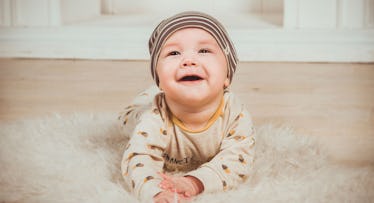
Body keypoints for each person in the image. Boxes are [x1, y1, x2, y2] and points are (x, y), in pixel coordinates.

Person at [118, 11, 256, 203]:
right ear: (159, 80)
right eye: (174, 53)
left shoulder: (235, 114)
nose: (189, 60)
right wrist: (156, 192)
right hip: (141, 111)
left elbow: (238, 160)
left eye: (204, 51)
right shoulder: (154, 116)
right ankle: (149, 95)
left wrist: (195, 182)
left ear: (227, 76)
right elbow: (139, 159)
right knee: (130, 119)